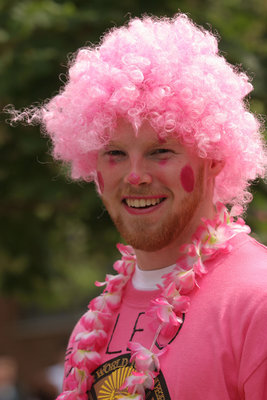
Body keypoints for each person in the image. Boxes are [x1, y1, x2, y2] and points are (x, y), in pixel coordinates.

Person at [7, 13, 267, 400]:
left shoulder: (256, 302)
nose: (134, 176)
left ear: (213, 160)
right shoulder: (89, 331)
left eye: (160, 151)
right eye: (114, 153)